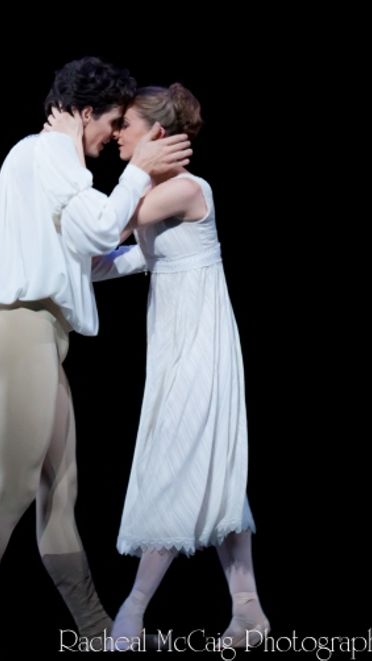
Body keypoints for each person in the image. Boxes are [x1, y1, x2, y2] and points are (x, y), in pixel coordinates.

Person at [0, 58, 193, 654]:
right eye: (110, 123)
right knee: (16, 487)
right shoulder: (47, 153)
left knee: (61, 488)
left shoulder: (55, 168)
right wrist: (140, 177)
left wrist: (155, 254)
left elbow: (91, 257)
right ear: (81, 113)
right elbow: (103, 229)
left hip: (41, 335)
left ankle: (99, 635)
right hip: (23, 328)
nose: (110, 140)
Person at [90, 83, 270, 651]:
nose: (118, 135)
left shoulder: (187, 189)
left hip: (200, 346)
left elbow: (109, 228)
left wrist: (85, 245)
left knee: (177, 463)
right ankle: (248, 611)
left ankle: (132, 612)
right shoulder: (163, 200)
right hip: (176, 346)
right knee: (212, 469)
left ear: (157, 137)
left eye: (128, 128)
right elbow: (124, 257)